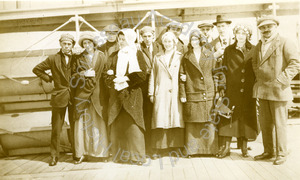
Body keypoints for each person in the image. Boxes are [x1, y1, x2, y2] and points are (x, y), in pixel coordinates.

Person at [252, 16, 300, 165]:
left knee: (280, 124)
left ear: (276, 27)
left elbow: (295, 64)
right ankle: (268, 151)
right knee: (265, 123)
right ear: (259, 30)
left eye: (269, 26)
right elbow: (255, 63)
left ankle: (282, 153)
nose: (266, 30)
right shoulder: (258, 45)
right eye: (262, 27)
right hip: (263, 90)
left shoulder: (285, 42)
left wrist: (280, 81)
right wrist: (260, 80)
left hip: (279, 90)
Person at [216, 24, 260, 158]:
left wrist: (256, 87)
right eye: (238, 33)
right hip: (232, 89)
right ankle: (226, 147)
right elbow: (223, 69)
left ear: (248, 35)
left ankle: (244, 146)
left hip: (248, 90)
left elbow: (257, 69)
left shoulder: (253, 49)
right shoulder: (229, 50)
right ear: (235, 35)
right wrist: (222, 86)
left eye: (243, 33)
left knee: (245, 117)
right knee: (228, 117)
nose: (240, 36)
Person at [32, 33, 76, 166]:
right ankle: (54, 156)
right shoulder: (52, 58)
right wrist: (49, 79)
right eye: (64, 44)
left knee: (75, 127)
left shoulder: (77, 57)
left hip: (74, 97)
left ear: (72, 45)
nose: (66, 46)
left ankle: (76, 154)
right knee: (56, 129)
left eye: (69, 44)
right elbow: (37, 69)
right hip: (59, 97)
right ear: (60, 44)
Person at [105, 28, 146, 165]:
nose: (120, 42)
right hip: (117, 95)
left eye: (123, 39)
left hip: (132, 94)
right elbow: (106, 74)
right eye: (119, 39)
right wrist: (113, 80)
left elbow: (142, 75)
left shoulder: (137, 54)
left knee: (133, 125)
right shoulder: (114, 55)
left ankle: (137, 157)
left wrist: (125, 79)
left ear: (130, 39)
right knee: (118, 126)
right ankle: (120, 156)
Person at [179, 30, 218, 157]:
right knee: (192, 122)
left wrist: (217, 92)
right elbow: (181, 76)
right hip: (192, 91)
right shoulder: (186, 57)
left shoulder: (209, 55)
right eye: (192, 40)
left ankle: (210, 150)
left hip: (208, 92)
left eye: (196, 39)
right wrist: (183, 94)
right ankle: (191, 150)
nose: (194, 42)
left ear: (201, 41)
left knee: (209, 121)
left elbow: (216, 74)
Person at [72, 31, 109, 164]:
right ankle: (81, 153)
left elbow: (106, 74)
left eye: (89, 43)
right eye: (84, 43)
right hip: (82, 94)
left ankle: (102, 153)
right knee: (82, 124)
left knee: (99, 123)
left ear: (94, 44)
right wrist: (83, 74)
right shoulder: (78, 58)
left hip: (98, 94)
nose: (87, 45)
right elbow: (73, 76)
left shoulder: (102, 56)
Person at [149, 32, 184, 156]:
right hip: (161, 92)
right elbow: (153, 75)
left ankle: (175, 148)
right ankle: (159, 149)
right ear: (162, 43)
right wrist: (151, 93)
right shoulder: (157, 57)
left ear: (174, 42)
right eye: (165, 42)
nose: (167, 44)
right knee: (160, 119)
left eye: (170, 41)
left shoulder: (180, 56)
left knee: (175, 119)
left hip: (175, 92)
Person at [137, 26, 161, 155]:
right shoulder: (138, 49)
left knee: (157, 116)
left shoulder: (159, 47)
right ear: (142, 37)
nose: (147, 39)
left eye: (149, 36)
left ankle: (158, 147)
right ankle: (148, 148)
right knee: (147, 116)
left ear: (153, 36)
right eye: (144, 36)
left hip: (158, 84)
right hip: (144, 86)